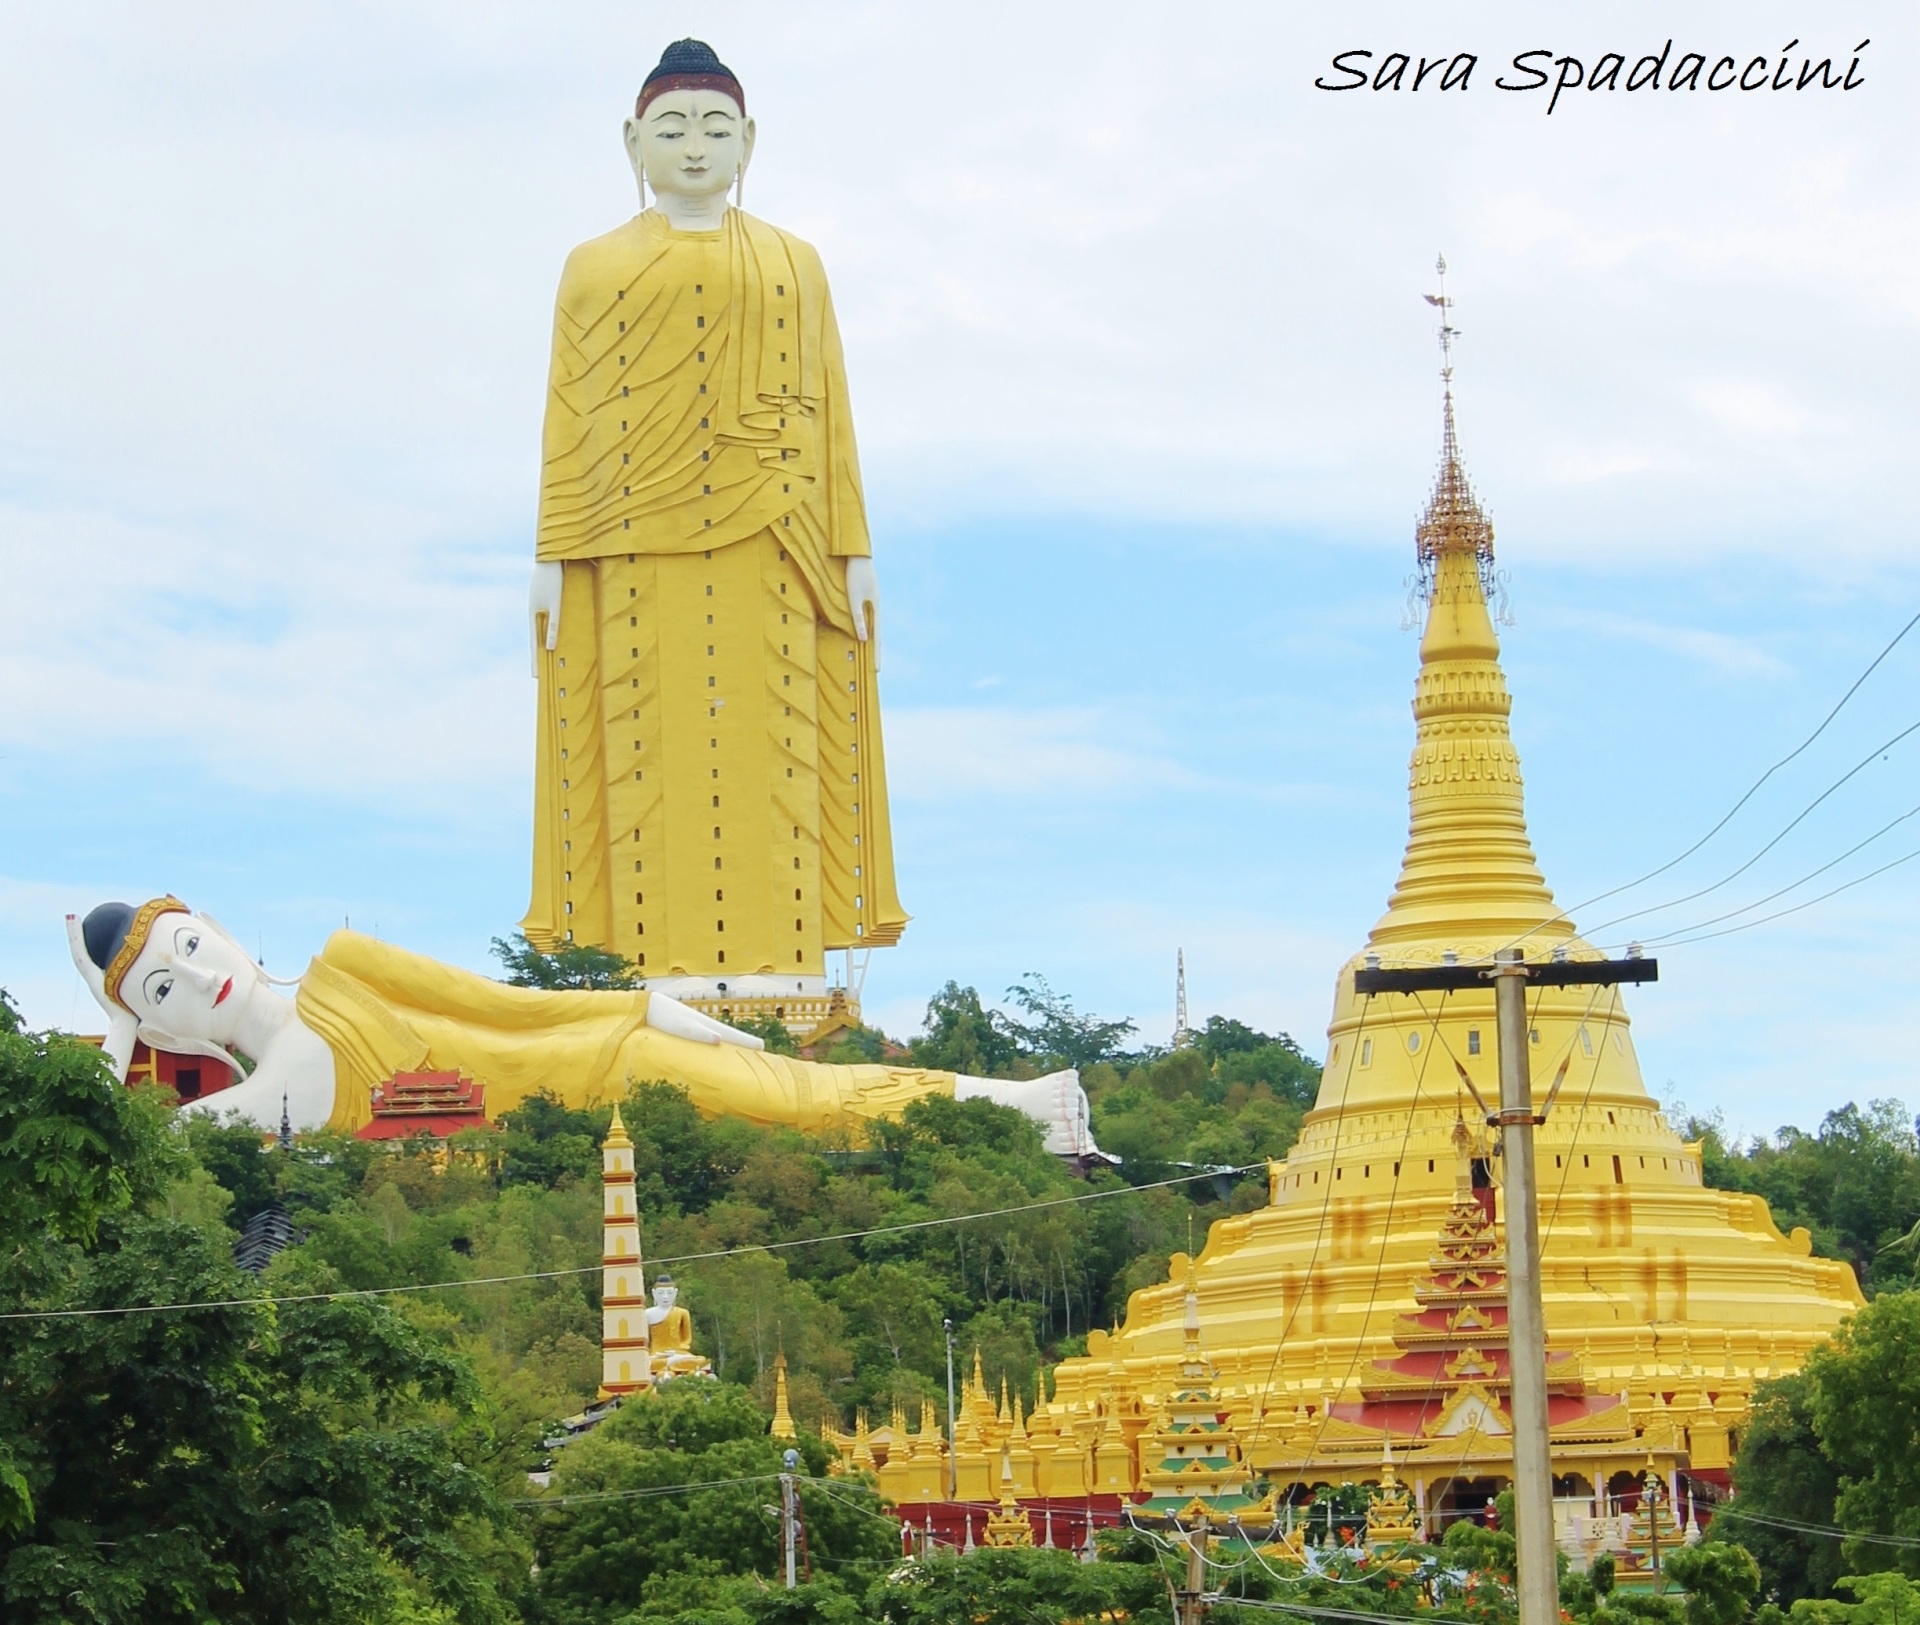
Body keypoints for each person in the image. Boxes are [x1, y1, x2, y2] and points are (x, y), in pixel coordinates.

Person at [522, 38, 906, 1017]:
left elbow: (833, 410)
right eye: (672, 128)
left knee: (776, 751)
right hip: (632, 547)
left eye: (715, 128)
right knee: (641, 753)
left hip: (773, 546)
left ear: (749, 142)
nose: (694, 147)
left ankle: (784, 974)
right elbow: (573, 420)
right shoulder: (594, 267)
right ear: (632, 141)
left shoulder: (793, 263)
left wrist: (852, 546)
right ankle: (643, 977)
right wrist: (553, 553)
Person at [67, 898, 1097, 1153]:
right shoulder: (274, 1082)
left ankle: (1021, 1107)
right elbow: (176, 1134)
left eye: (187, 947)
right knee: (802, 1109)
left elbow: (499, 1003)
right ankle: (1022, 1111)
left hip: (610, 1057)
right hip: (596, 1123)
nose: (191, 981)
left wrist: (641, 1002)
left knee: (803, 1095)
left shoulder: (343, 961)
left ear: (219, 930)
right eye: (157, 990)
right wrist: (113, 1055)